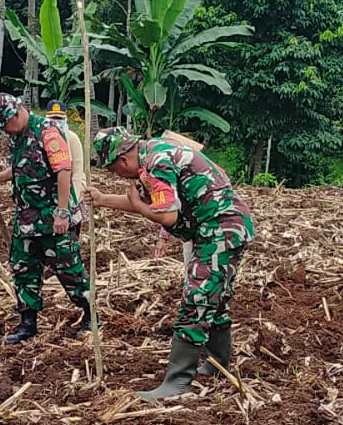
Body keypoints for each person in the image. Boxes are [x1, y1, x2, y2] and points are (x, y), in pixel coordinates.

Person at [89, 128, 254, 401]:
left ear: (123, 161)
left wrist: (141, 209)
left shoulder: (156, 164)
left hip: (220, 228)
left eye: (115, 171)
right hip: (223, 226)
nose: (118, 176)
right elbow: (152, 203)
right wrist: (103, 199)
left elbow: (165, 215)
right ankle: (216, 364)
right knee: (216, 298)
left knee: (198, 297)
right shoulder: (154, 153)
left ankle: (178, 382)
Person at [0, 93, 93, 344]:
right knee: (23, 270)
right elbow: (22, 166)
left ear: (16, 115)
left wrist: (62, 212)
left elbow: (63, 171)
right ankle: (27, 323)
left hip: (53, 219)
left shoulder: (48, 132)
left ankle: (91, 316)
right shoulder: (17, 136)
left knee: (69, 270)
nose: (5, 131)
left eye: (6, 124)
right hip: (26, 219)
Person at [43, 99, 87, 200]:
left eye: (59, 119)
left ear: (65, 119)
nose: (56, 122)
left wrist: (73, 199)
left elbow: (77, 170)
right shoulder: (42, 138)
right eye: (52, 119)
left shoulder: (72, 139)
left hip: (72, 186)